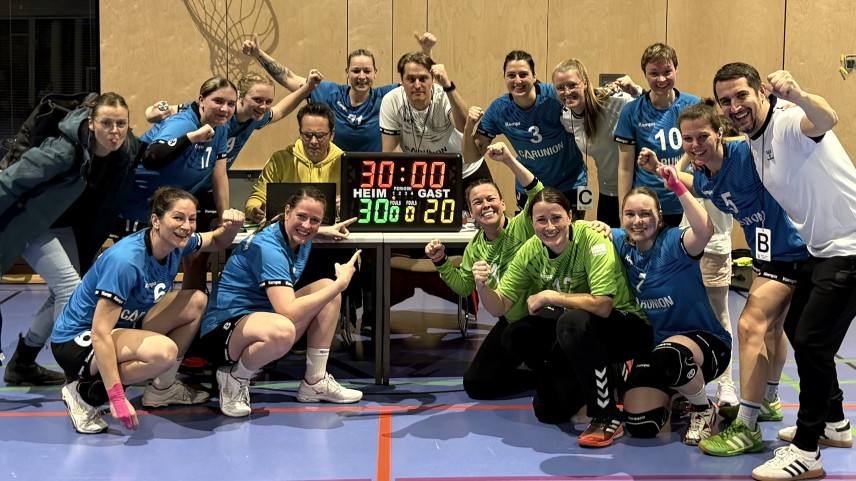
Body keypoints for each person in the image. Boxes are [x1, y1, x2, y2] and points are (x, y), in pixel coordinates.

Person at [637, 100, 809, 457]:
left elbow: (772, 141)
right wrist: (662, 171)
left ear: (720, 133)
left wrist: (782, 103)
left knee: (752, 326)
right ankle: (769, 400)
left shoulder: (745, 155)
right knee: (774, 328)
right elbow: (694, 184)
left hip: (792, 251)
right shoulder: (705, 176)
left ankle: (747, 426)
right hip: (768, 255)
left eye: (703, 136)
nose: (695, 145)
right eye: (687, 139)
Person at [712, 63, 856, 481]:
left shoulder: (789, 120)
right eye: (725, 100)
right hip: (821, 250)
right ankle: (834, 423)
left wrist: (798, 95)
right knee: (795, 326)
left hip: (849, 248)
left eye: (741, 95)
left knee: (811, 344)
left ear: (762, 91)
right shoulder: (753, 139)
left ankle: (807, 451)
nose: (734, 106)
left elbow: (826, 118)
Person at [50, 187, 245, 433]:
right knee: (163, 352)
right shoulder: (125, 261)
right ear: (155, 220)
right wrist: (117, 397)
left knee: (195, 301)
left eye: (192, 219)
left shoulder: (177, 244)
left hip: (123, 326)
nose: (186, 226)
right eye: (178, 218)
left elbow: (216, 240)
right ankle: (84, 393)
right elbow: (100, 333)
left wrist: (232, 227)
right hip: (77, 339)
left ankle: (163, 388)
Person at [475, 187, 651, 447]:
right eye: (541, 220)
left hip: (626, 326)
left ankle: (606, 415)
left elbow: (603, 306)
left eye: (556, 218)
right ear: (532, 222)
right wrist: (482, 287)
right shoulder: (531, 250)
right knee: (520, 345)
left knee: (570, 323)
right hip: (579, 332)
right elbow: (499, 307)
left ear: (570, 215)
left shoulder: (592, 240)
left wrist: (551, 296)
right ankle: (582, 375)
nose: (549, 227)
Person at [0, 92, 144, 386]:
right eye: (106, 123)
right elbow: (11, 180)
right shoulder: (63, 149)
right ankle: (74, 371)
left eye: (121, 124)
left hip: (60, 223)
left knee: (64, 292)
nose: (114, 131)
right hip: (31, 222)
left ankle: (23, 363)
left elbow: (153, 152)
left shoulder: (121, 152)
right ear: (91, 123)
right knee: (71, 289)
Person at [142, 71, 323, 291]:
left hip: (209, 191)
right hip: (185, 188)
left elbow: (280, 111)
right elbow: (159, 113)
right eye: (257, 99)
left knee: (203, 253)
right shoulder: (218, 116)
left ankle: (202, 302)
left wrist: (307, 89)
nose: (263, 106)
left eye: (268, 101)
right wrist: (155, 111)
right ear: (240, 97)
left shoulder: (254, 119)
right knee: (182, 254)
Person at [199, 186, 363, 417]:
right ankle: (234, 378)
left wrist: (323, 231)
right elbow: (288, 311)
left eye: (314, 220)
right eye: (301, 216)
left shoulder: (296, 235)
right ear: (287, 212)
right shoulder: (270, 249)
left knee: (327, 293)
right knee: (286, 328)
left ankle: (315, 382)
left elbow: (304, 228)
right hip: (221, 333)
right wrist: (341, 284)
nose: (306, 225)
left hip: (257, 321)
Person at [610, 171, 731, 446]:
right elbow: (581, 233)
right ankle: (679, 394)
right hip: (658, 349)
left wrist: (677, 187)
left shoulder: (674, 242)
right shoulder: (621, 244)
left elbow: (705, 230)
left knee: (669, 357)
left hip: (706, 343)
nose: (637, 221)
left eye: (645, 214)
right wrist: (594, 226)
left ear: (660, 216)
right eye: (630, 214)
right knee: (641, 423)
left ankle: (703, 409)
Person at [424, 141, 541, 399]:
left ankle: (551, 371)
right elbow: (463, 287)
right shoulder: (474, 248)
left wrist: (508, 160)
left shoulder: (523, 226)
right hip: (510, 320)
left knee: (516, 336)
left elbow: (536, 192)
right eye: (477, 202)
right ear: (470, 212)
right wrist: (440, 260)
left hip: (540, 318)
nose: (485, 205)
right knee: (476, 384)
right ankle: (537, 378)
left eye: (491, 199)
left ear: (503, 203)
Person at [243, 31, 436, 152]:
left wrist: (426, 52)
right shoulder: (329, 93)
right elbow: (289, 78)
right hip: (335, 174)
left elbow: (421, 82)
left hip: (375, 177)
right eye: (356, 71)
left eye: (367, 71)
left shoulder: (386, 97)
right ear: (347, 73)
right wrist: (259, 54)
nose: (361, 76)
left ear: (375, 74)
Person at [463, 51, 587, 212]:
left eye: (523, 74)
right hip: (529, 185)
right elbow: (471, 157)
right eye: (511, 75)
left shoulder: (556, 96)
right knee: (531, 229)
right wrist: (468, 128)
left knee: (575, 228)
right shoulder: (499, 110)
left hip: (574, 181)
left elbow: (587, 99)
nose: (517, 81)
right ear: (504, 78)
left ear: (534, 76)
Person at [118, 77, 237, 232]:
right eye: (218, 101)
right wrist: (191, 138)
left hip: (167, 213)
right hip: (136, 209)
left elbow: (219, 175)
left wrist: (223, 218)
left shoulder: (221, 128)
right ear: (201, 100)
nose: (225, 109)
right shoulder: (183, 123)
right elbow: (151, 158)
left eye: (231, 104)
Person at [615, 43, 700, 226]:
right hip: (647, 205)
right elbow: (625, 169)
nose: (661, 79)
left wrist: (679, 170)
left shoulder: (694, 106)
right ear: (645, 74)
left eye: (667, 72)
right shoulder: (631, 112)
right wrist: (624, 213)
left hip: (687, 201)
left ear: (676, 70)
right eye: (654, 73)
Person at [552, 58, 643, 226]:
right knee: (606, 239)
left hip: (635, 187)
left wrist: (636, 90)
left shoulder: (614, 102)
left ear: (585, 83)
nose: (567, 92)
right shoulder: (566, 118)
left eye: (572, 85)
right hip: (607, 191)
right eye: (560, 88)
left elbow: (649, 108)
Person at [380, 52, 491, 189]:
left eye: (423, 79)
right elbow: (391, 153)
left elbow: (463, 126)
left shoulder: (444, 95)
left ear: (432, 80)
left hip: (466, 171)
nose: (417, 85)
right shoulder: (392, 101)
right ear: (402, 81)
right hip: (424, 176)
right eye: (411, 79)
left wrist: (448, 86)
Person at [244, 103, 343, 223]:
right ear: (300, 133)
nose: (313, 141)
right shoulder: (280, 160)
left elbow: (357, 206)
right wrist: (254, 210)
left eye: (320, 135)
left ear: (332, 135)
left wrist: (348, 209)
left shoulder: (343, 163)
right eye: (307, 135)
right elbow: (257, 197)